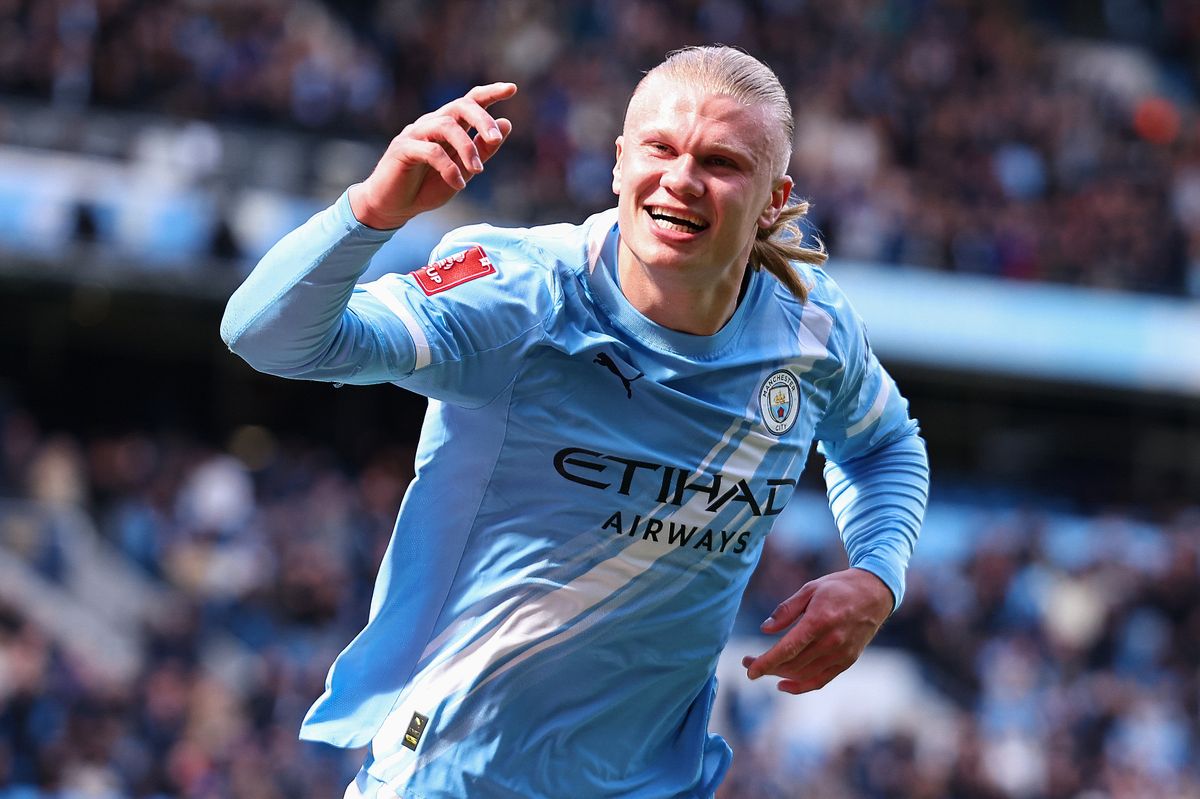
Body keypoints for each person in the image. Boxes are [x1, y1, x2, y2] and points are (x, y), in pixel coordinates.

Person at [221, 45, 928, 799]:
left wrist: (879, 573)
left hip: (654, 783)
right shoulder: (524, 295)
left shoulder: (811, 329)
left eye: (721, 162)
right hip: (454, 775)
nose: (681, 179)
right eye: (660, 147)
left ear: (776, 200)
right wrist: (367, 213)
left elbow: (885, 444)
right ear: (620, 163)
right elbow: (267, 335)